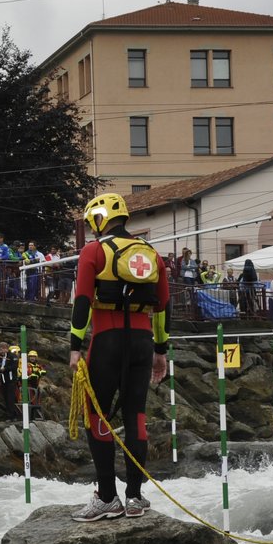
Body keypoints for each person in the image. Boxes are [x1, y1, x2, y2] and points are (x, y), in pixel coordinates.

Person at [69, 192, 170, 522]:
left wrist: (74, 346)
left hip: (107, 340)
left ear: (99, 218)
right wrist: (160, 351)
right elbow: (164, 307)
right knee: (135, 416)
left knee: (96, 415)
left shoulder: (93, 251)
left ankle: (107, 498)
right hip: (143, 342)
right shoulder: (152, 254)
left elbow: (82, 301)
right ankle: (136, 498)